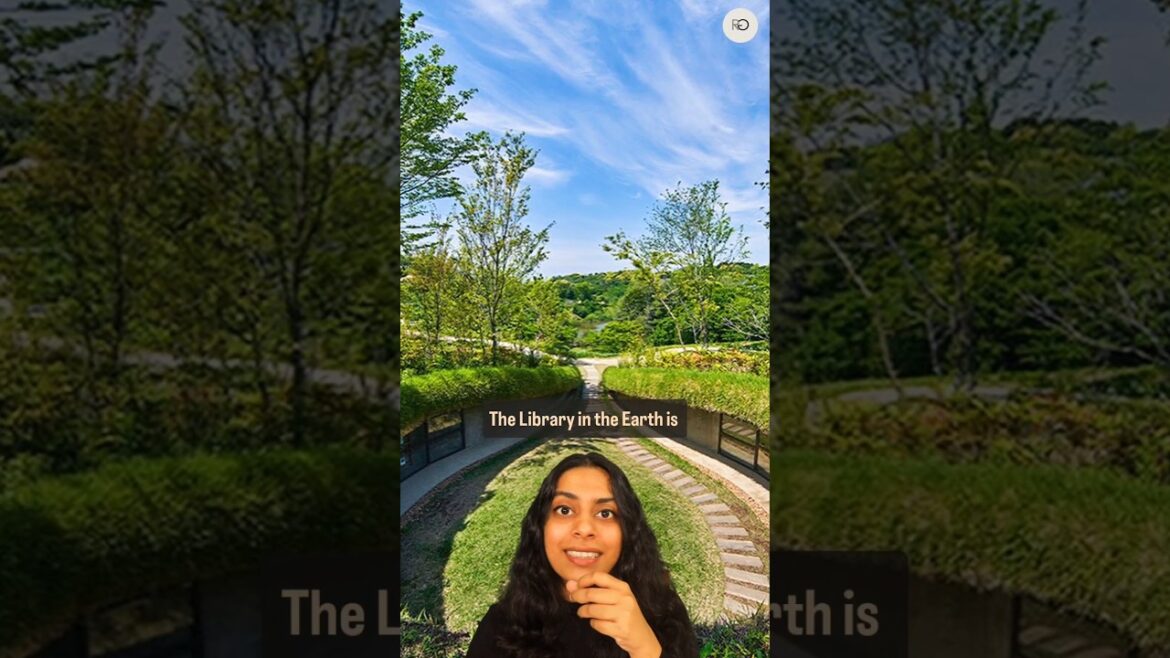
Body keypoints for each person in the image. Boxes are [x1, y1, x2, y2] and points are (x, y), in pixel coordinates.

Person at [465, 452, 699, 658]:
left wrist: (645, 649)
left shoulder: (664, 610)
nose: (585, 529)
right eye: (564, 510)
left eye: (605, 513)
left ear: (627, 530)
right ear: (541, 527)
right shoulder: (501, 625)